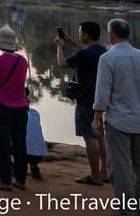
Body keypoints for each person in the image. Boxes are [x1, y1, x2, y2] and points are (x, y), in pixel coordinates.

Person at [94, 18, 140, 213]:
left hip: (118, 121)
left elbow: (102, 92)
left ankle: (126, 210)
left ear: (110, 35)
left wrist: (97, 117)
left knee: (120, 167)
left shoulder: (107, 58)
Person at [55, 20, 108, 185]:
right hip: (99, 98)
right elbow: (84, 55)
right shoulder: (102, 52)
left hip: (85, 99)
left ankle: (95, 176)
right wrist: (71, 43)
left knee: (89, 136)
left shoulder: (86, 54)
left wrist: (60, 46)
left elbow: (62, 63)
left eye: (80, 33)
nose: (79, 35)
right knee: (99, 134)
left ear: (86, 35)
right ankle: (104, 172)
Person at [0, 26, 29, 192]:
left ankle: (5, 181)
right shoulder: (23, 60)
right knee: (20, 143)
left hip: (2, 106)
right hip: (21, 106)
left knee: (3, 144)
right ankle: (21, 179)